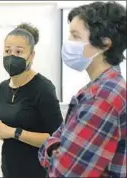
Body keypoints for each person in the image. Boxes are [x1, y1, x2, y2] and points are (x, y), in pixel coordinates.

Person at [38, 1, 127, 177]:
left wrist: (57, 150)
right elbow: (51, 144)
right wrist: (56, 149)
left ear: (104, 44)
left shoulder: (102, 98)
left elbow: (64, 173)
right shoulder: (98, 88)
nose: (68, 43)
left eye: (76, 36)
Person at [0, 23, 63, 178]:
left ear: (31, 56)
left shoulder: (43, 88)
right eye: (7, 51)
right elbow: (7, 131)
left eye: (19, 52)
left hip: (38, 171)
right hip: (9, 170)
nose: (12, 56)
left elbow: (57, 139)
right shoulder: (1, 89)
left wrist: (14, 132)